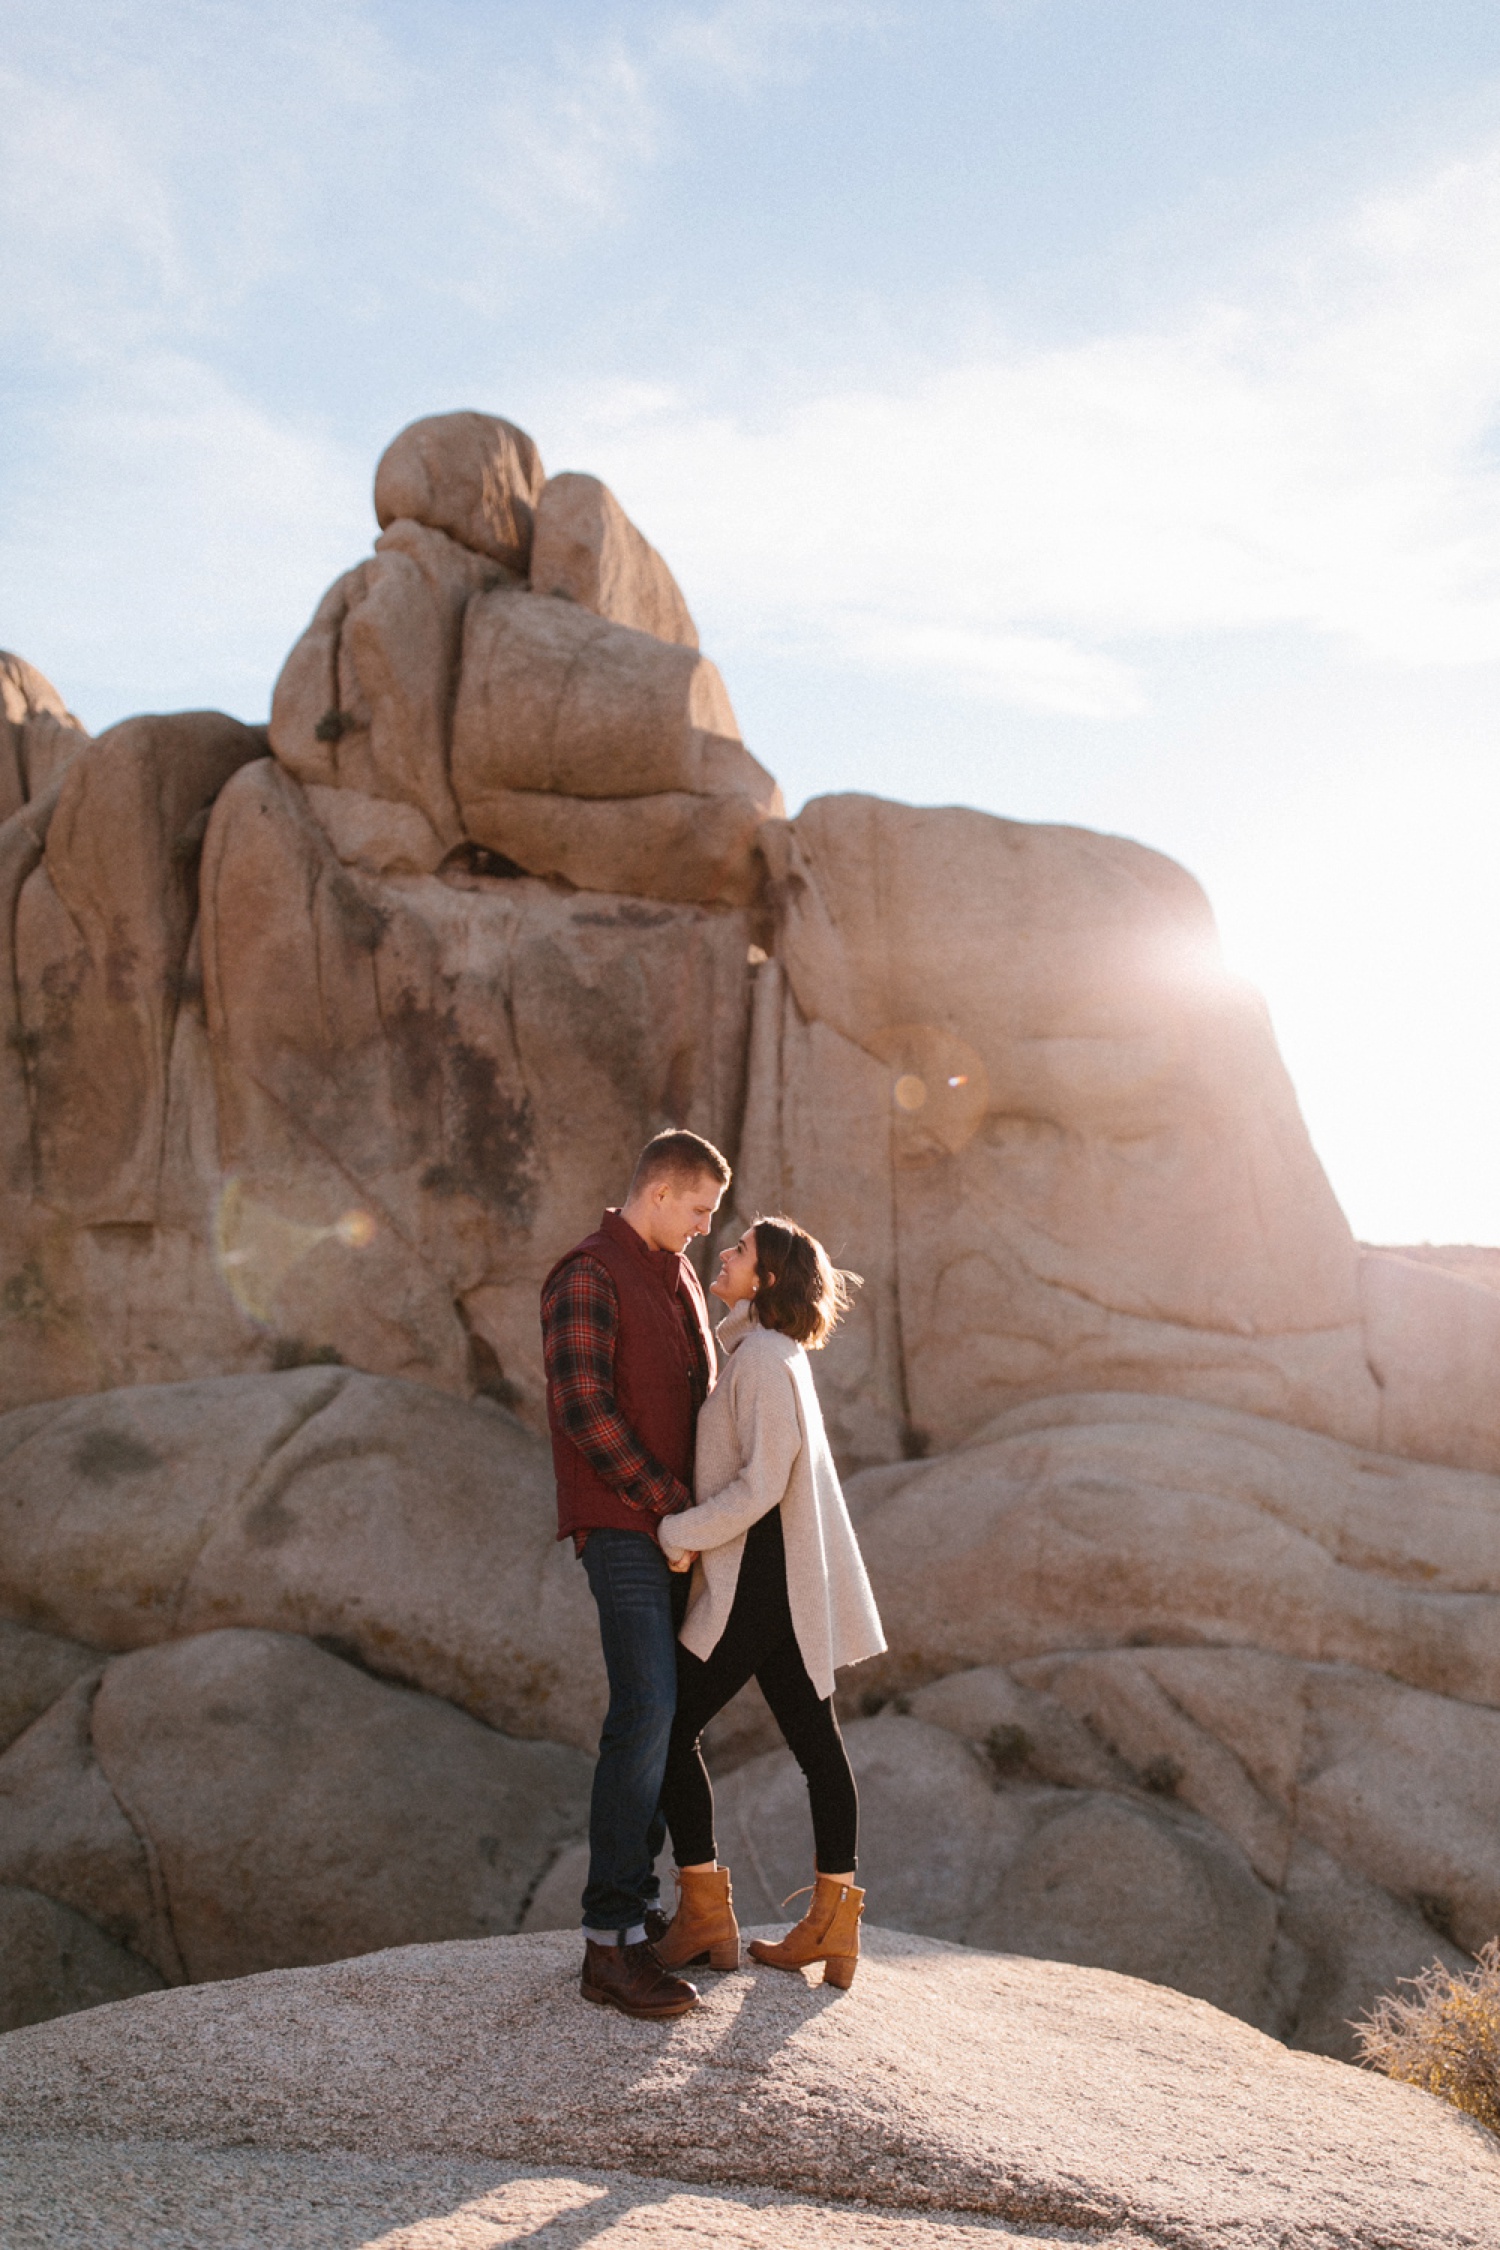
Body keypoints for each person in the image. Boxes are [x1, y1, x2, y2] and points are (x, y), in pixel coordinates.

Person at [652, 1215, 887, 1990]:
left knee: (669, 1730)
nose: (724, 1252)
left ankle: (704, 1913)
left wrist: (680, 1530)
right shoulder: (771, 1354)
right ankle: (833, 1923)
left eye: (742, 1250)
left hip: (756, 1583)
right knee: (819, 1748)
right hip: (781, 1584)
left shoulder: (759, 1358)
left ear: (769, 1279)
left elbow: (761, 1483)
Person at [540, 1129, 731, 2022]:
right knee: (647, 1705)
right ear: (659, 1193)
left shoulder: (682, 1274)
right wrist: (665, 1506)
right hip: (624, 1528)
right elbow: (583, 1405)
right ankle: (608, 1945)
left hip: (676, 1531)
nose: (702, 1228)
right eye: (698, 1210)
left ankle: (640, 1913)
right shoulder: (587, 1272)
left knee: (668, 1713)